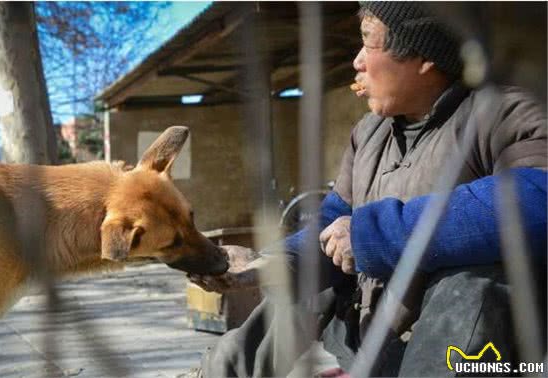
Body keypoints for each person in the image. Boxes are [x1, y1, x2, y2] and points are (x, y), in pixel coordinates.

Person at [189, 2, 547, 377]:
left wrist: (370, 235)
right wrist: (269, 262)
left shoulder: (503, 112)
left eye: (368, 43)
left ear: (422, 57)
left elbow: (539, 196)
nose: (357, 62)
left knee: (473, 281)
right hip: (374, 338)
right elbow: (331, 223)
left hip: (460, 350)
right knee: (305, 279)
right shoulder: (369, 133)